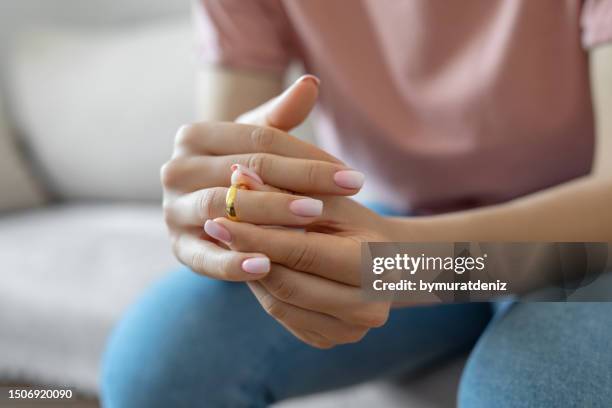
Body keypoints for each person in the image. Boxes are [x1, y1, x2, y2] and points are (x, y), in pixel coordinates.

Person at [101, 1, 612, 406]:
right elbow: (231, 156)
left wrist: (406, 266)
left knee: (525, 392)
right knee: (159, 365)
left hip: (583, 246)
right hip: (396, 223)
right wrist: (223, 208)